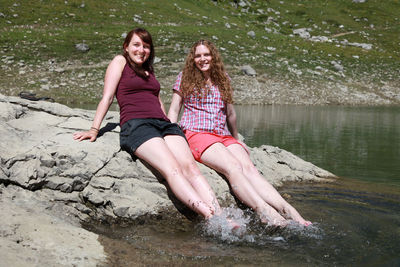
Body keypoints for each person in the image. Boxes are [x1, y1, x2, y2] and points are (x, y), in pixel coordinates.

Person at [73, 28, 222, 220]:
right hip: (137, 125)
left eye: (146, 46)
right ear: (126, 47)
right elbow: (108, 96)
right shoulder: (120, 62)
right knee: (172, 169)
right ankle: (209, 215)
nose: (141, 50)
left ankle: (221, 215)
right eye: (136, 45)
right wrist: (94, 129)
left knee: (191, 169)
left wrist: (168, 123)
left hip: (163, 125)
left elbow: (157, 100)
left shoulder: (148, 70)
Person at [168, 39, 312, 227]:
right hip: (197, 133)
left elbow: (231, 114)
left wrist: (236, 140)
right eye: (198, 56)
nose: (202, 59)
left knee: (250, 168)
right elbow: (173, 110)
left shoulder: (223, 78)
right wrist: (171, 136)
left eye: (206, 54)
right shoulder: (184, 76)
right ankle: (264, 210)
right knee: (233, 167)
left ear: (213, 56)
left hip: (222, 134)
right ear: (192, 59)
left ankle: (287, 209)